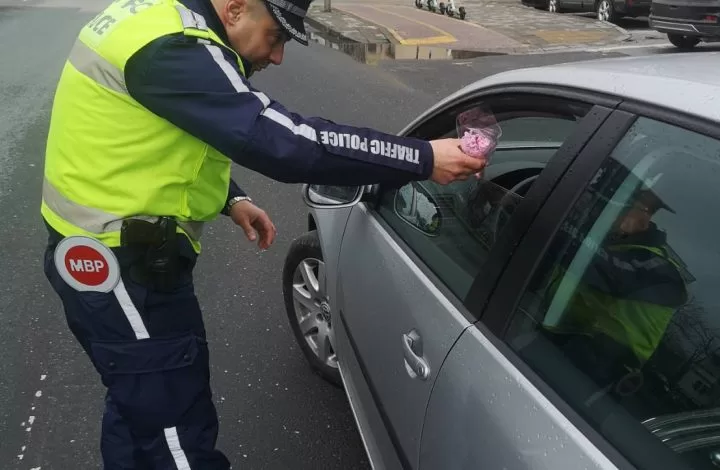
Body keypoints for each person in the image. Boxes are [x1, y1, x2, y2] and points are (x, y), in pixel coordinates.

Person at [40, 0, 485, 468]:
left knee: (138, 410)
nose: (277, 57)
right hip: (121, 269)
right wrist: (421, 157)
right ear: (235, 9)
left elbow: (154, 132)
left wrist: (231, 198)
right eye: (276, 36)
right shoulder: (174, 46)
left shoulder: (157, 20)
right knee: (175, 435)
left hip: (103, 252)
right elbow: (287, 141)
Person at [541, 177, 689, 394]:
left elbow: (599, 267)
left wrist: (542, 221)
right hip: (565, 339)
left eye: (624, 204)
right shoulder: (618, 245)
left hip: (601, 369)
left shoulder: (659, 267)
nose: (609, 210)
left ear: (644, 216)